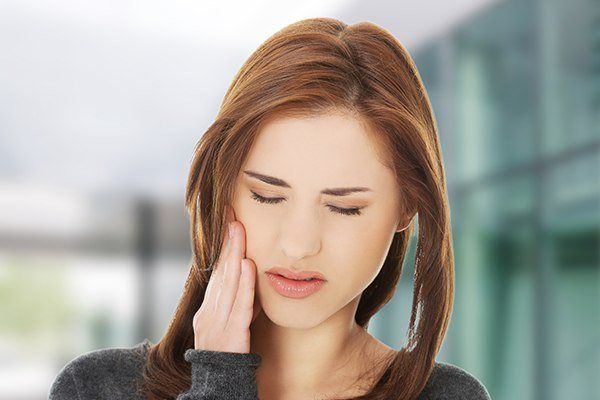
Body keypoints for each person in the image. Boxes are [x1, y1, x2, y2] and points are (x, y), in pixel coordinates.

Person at [49, 17, 492, 400]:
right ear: (224, 193)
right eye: (267, 196)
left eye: (344, 207)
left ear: (407, 209)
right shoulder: (98, 387)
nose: (298, 244)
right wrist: (218, 379)